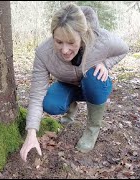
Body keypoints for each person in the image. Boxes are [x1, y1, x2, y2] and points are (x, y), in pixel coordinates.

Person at [20, 3, 129, 162]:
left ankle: (92, 129)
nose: (64, 50)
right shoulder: (43, 53)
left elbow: (124, 49)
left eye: (71, 42)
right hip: (68, 85)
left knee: (94, 78)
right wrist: (31, 133)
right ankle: (71, 105)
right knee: (50, 103)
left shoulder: (100, 40)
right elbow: (37, 95)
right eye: (59, 42)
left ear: (82, 35)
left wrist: (105, 64)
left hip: (93, 84)